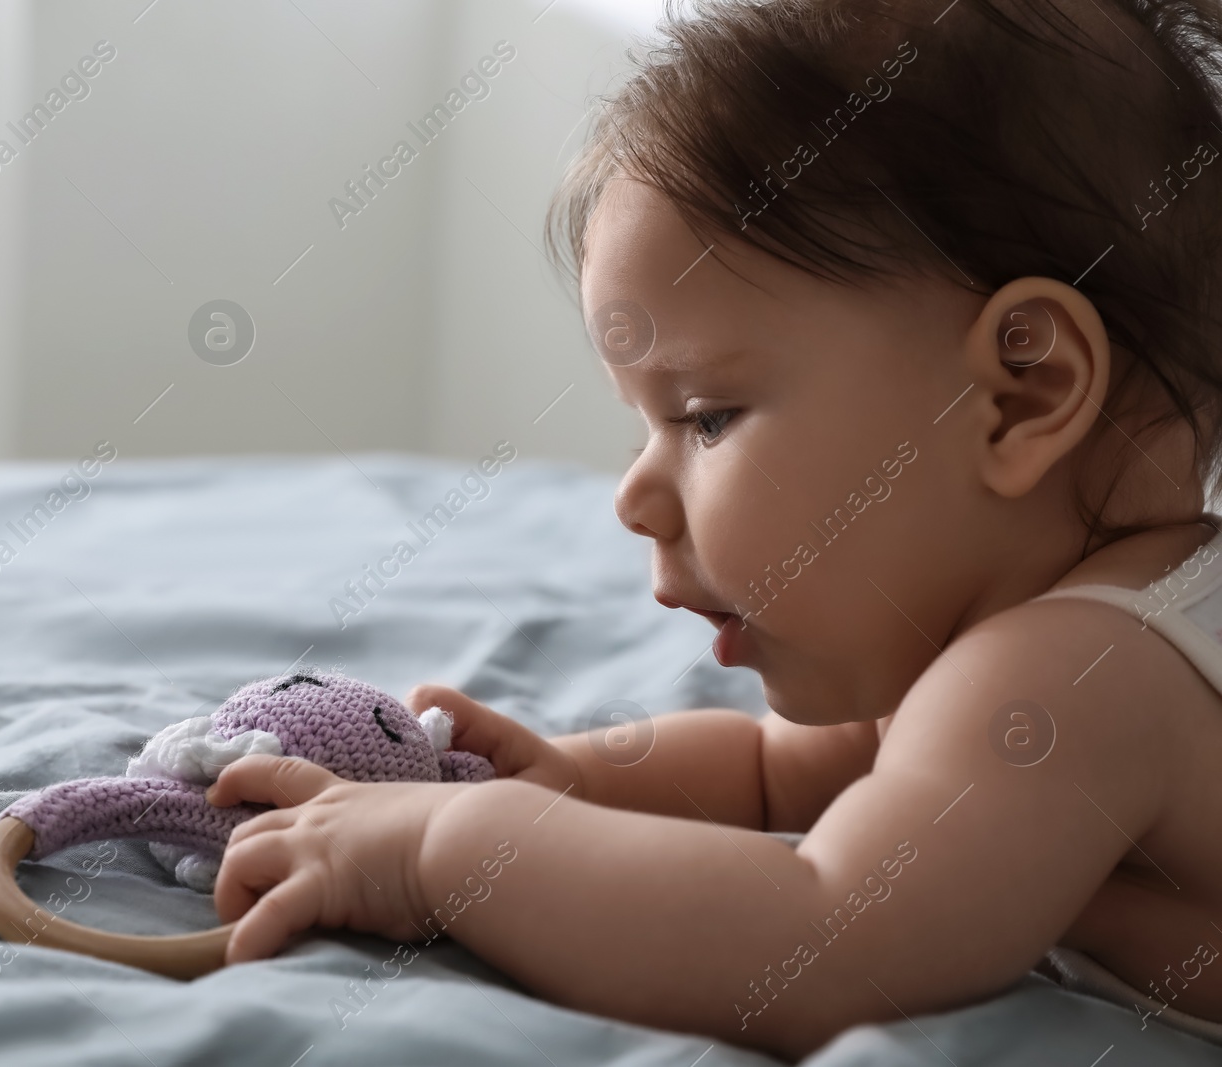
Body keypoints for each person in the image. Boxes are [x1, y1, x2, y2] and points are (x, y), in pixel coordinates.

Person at [204, 0, 1222, 1055]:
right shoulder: (1002, 649)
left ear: (1019, 394)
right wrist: (577, 782)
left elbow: (826, 937)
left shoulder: (1070, 678)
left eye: (704, 416)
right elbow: (775, 775)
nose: (633, 497)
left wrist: (448, 848)